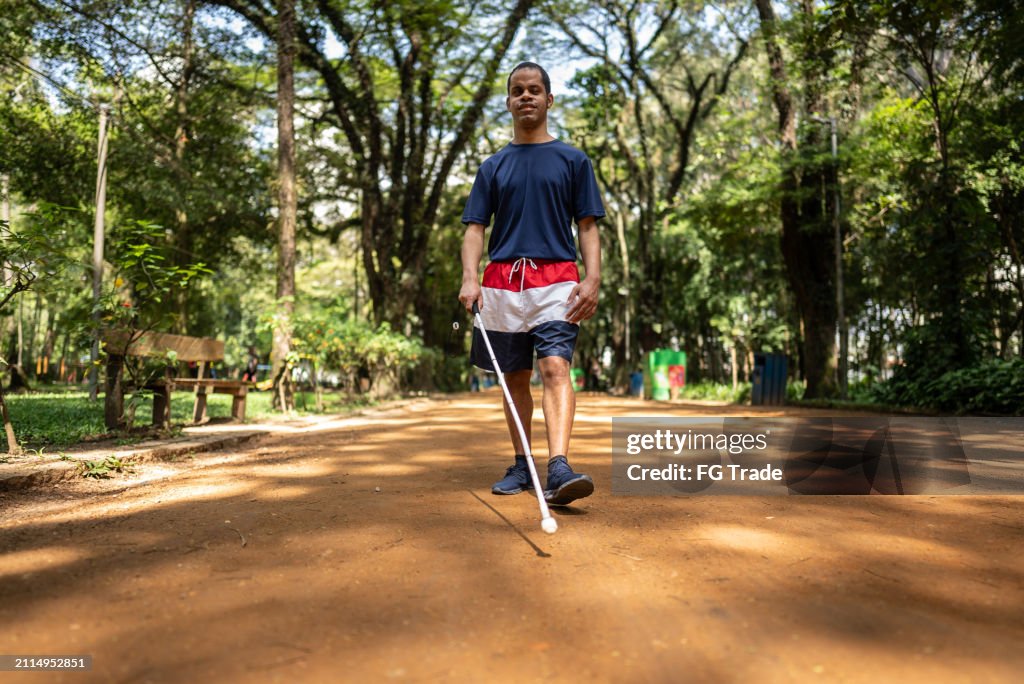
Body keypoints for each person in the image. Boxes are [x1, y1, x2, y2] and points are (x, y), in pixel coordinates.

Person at [458, 61, 604, 506]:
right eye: (518, 90)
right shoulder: (493, 166)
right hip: (502, 281)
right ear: (509, 102)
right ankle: (521, 465)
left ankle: (558, 466)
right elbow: (474, 229)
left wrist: (592, 277)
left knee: (555, 367)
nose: (526, 96)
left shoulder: (573, 160)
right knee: (514, 377)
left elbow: (588, 225)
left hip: (557, 278)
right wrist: (470, 278)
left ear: (548, 99)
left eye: (535, 90)